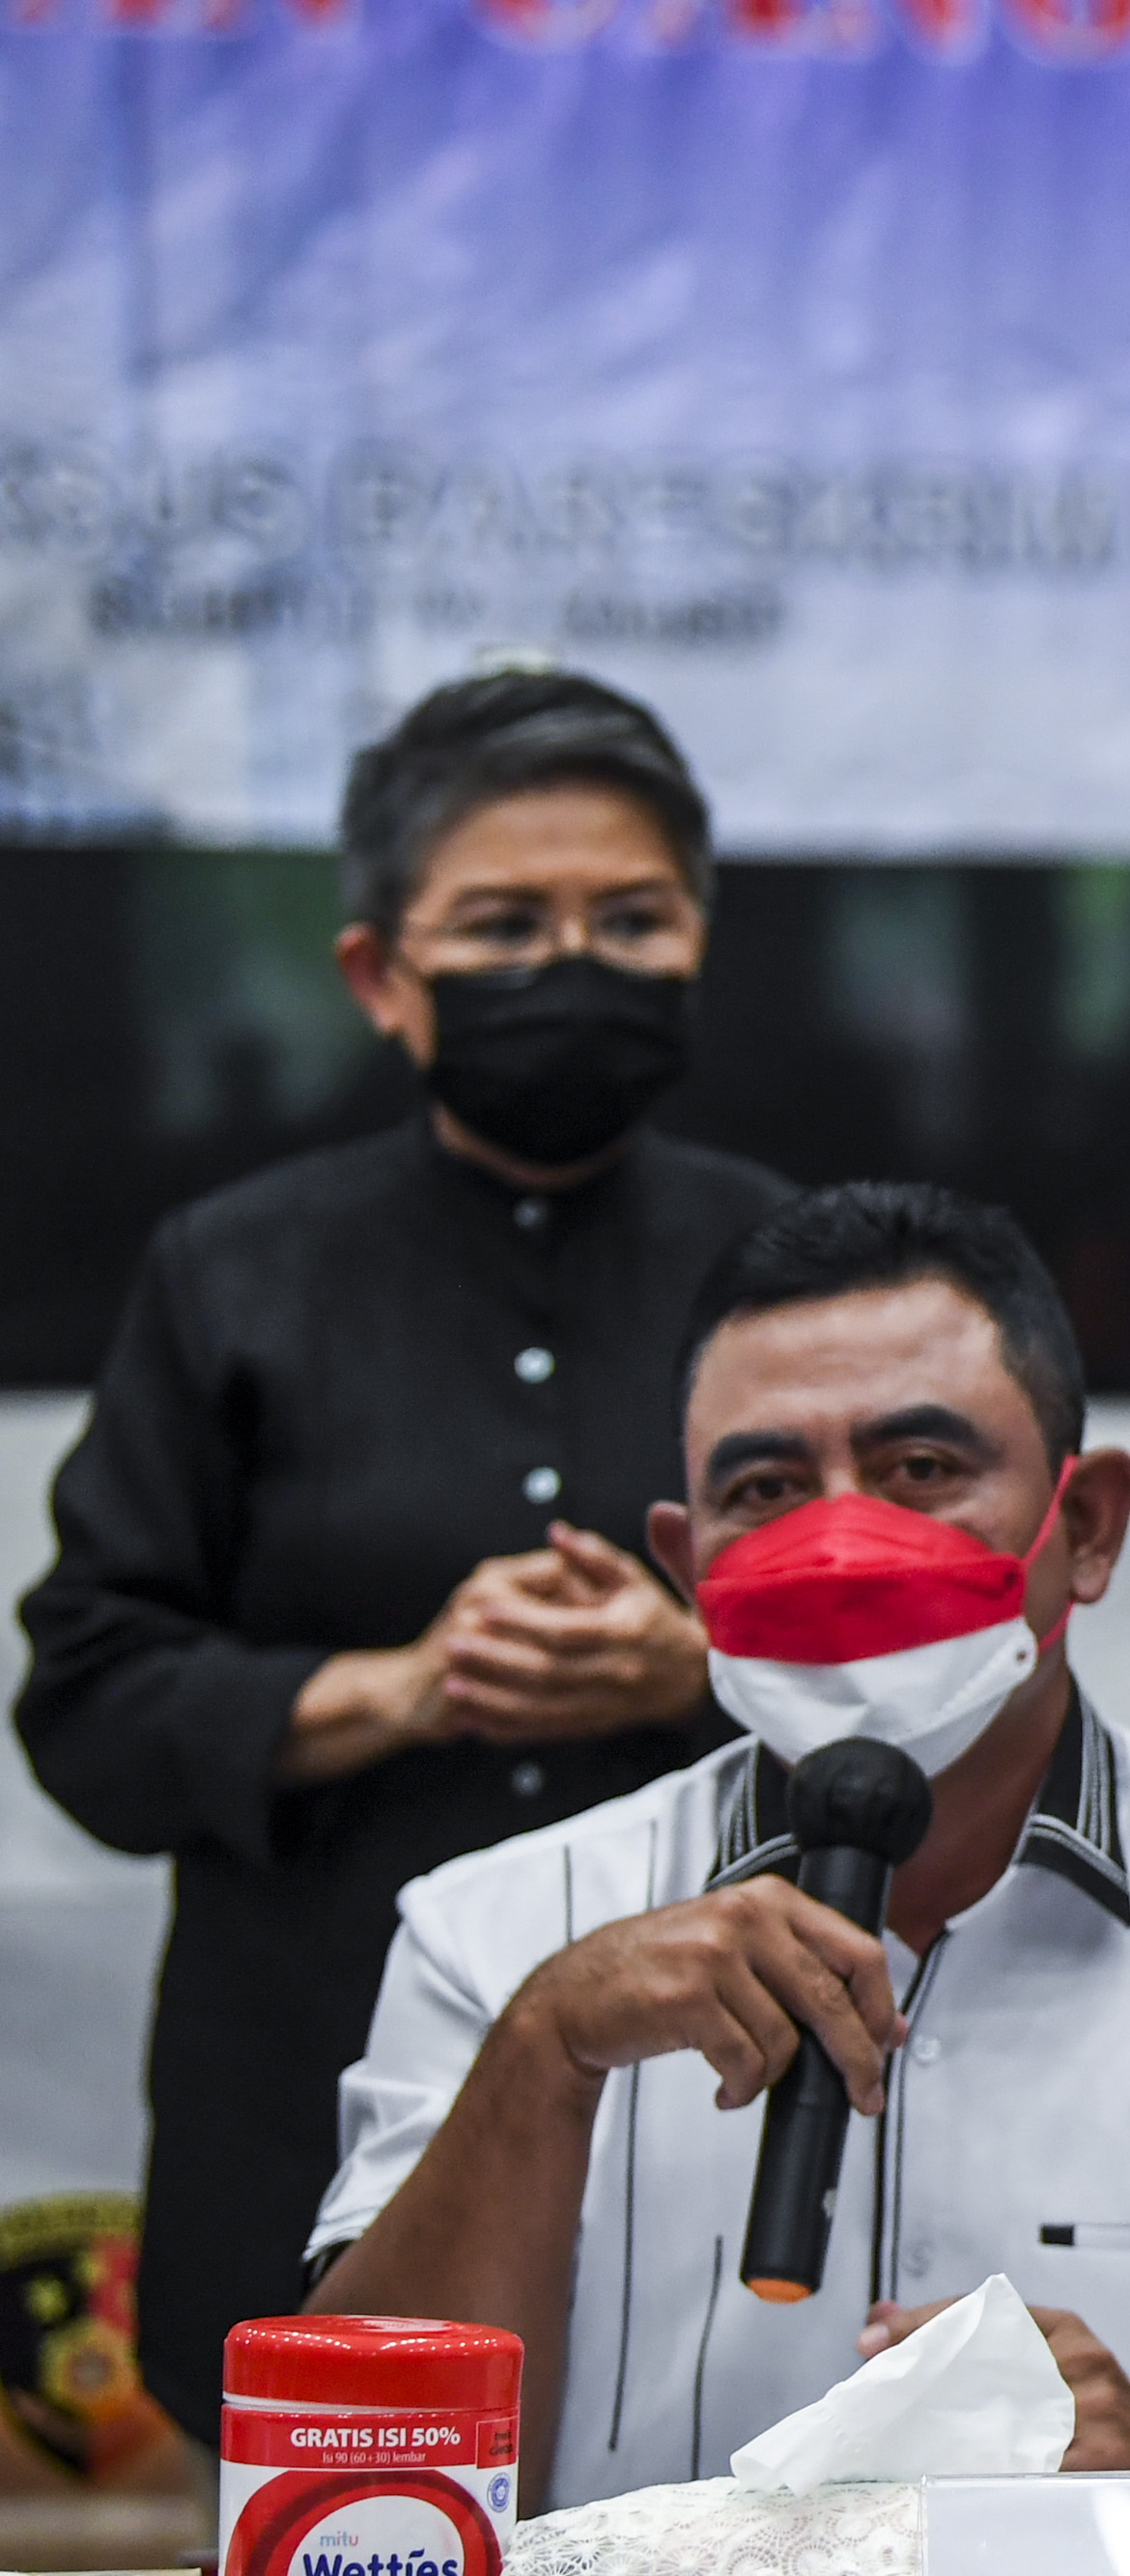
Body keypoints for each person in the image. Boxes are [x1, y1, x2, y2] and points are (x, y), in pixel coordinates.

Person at [305, 1183, 1130, 2505]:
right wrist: (548, 2054)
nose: (841, 1544)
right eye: (768, 1486)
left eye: (921, 1469)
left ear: (1085, 1528)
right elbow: (352, 2477)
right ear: (685, 1564)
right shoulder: (502, 1932)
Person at [14, 669, 791, 2443]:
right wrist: (398, 1689)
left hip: (735, 2109)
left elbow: (952, 1670)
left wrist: (702, 1665)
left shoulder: (801, 1272)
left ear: (696, 945)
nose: (570, 966)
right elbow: (87, 1704)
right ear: (381, 972)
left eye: (629, 919)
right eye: (506, 924)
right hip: (306, 2088)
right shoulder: (234, 1270)